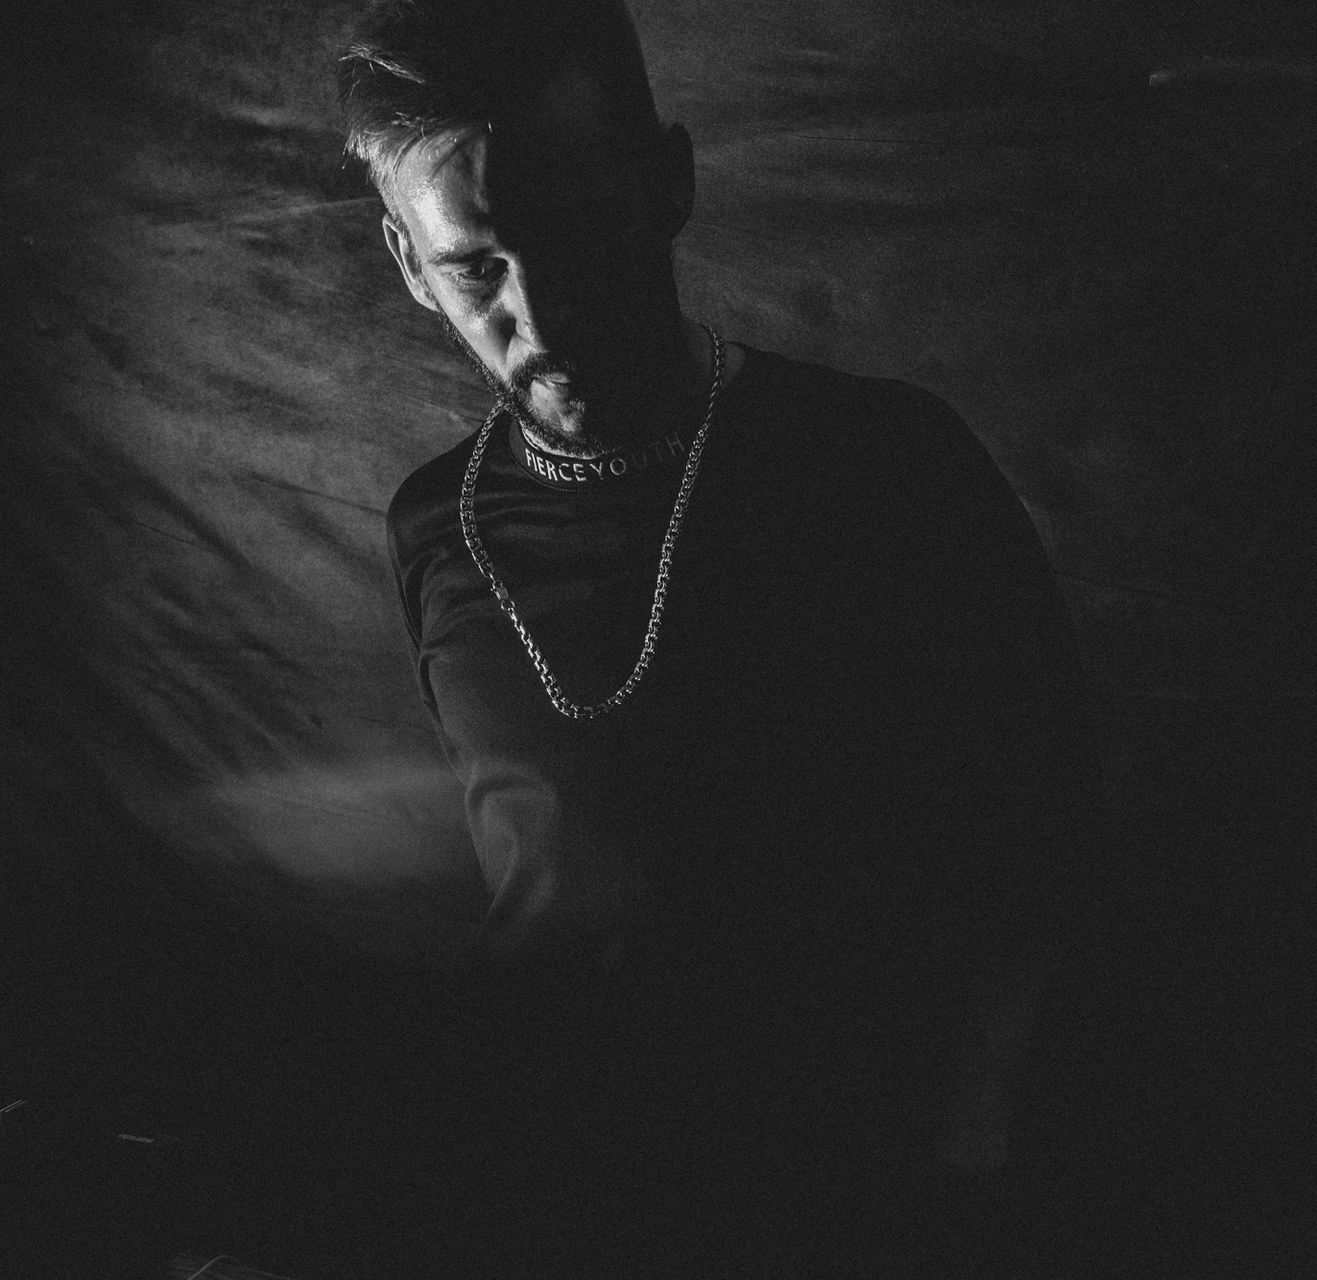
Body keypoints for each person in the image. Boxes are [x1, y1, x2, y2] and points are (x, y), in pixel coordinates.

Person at [336, 1, 1109, 1272]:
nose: (540, 317)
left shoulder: (884, 463)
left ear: (668, 184)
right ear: (411, 265)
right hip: (559, 1201)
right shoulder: (434, 525)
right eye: (477, 269)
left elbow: (1052, 837)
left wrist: (969, 1161)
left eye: (577, 232)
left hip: (853, 1203)